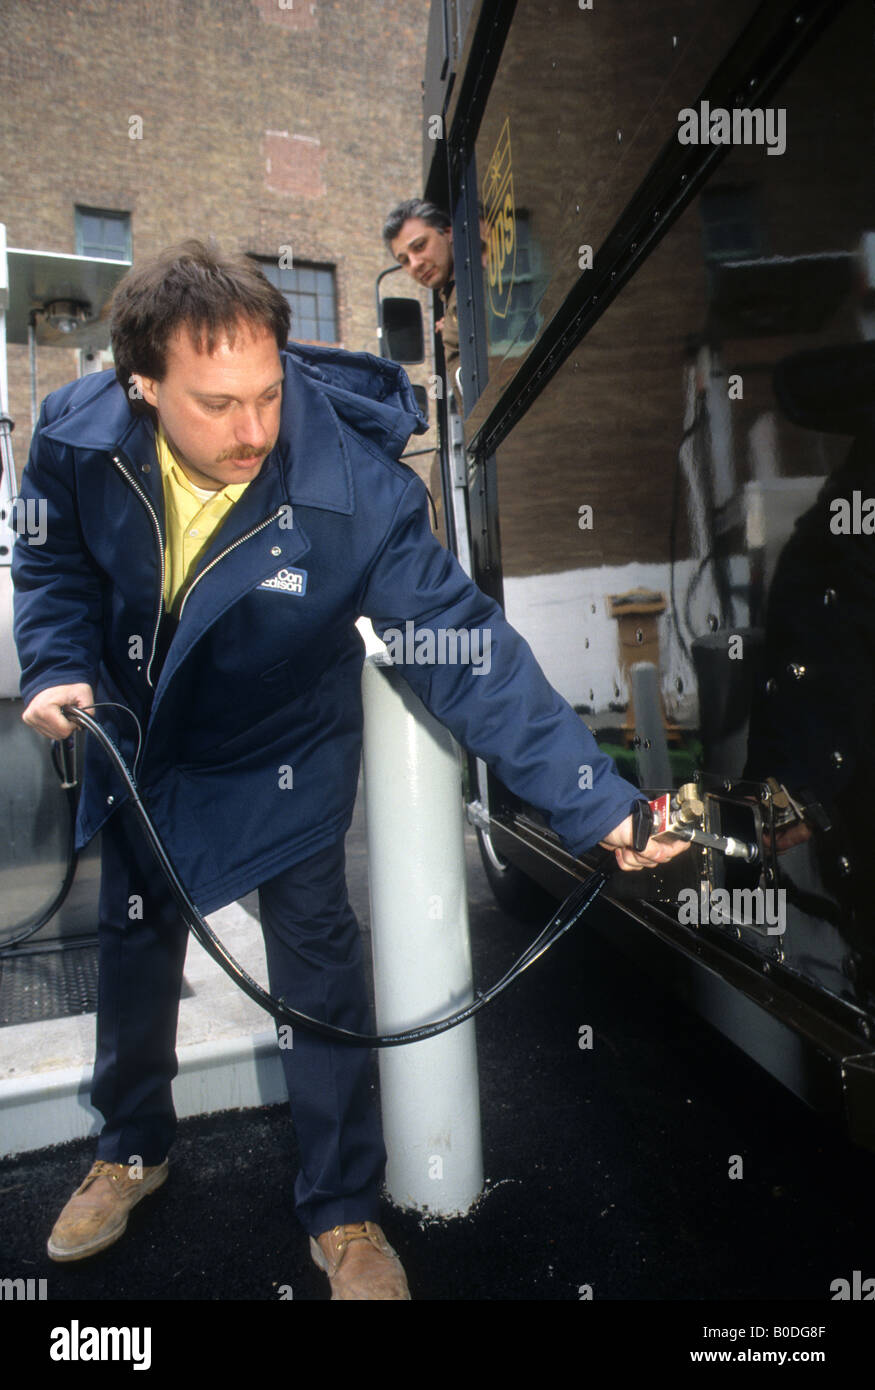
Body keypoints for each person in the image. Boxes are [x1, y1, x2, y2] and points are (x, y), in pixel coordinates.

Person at [12, 240, 687, 1300]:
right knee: (136, 939)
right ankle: (128, 1147)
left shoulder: (355, 491)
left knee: (317, 967)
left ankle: (342, 1209)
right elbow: (48, 560)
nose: (253, 432)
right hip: (140, 735)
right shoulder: (72, 434)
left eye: (268, 395)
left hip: (281, 748)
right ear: (140, 386)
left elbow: (464, 648)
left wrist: (592, 800)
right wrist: (53, 663)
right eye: (217, 403)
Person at [383, 199, 461, 400]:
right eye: (404, 261)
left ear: (448, 232)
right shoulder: (451, 300)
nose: (415, 264)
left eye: (419, 246)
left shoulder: (479, 285)